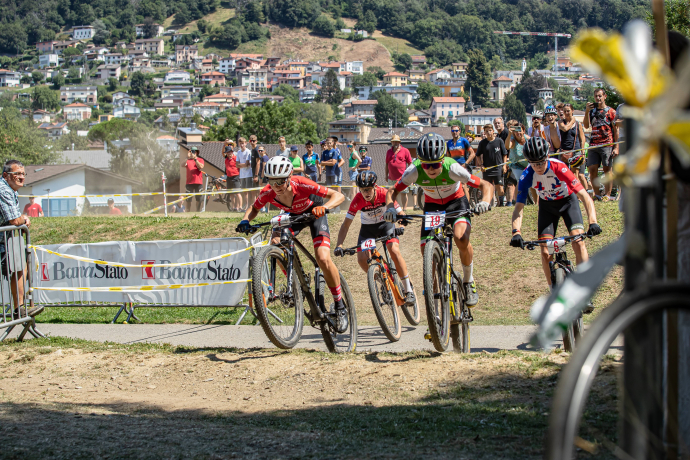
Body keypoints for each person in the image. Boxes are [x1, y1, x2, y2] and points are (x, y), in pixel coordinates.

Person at [236, 156, 349, 332]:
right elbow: (254, 207)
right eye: (272, 181)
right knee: (275, 241)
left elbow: (338, 195)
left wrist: (325, 208)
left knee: (322, 258)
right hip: (293, 216)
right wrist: (245, 220)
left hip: (315, 214)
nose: (276, 186)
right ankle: (294, 281)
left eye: (280, 181)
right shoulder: (268, 192)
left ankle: (340, 305)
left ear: (289, 177)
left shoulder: (302, 183)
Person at [384, 133, 494, 307]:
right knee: (426, 253)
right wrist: (390, 208)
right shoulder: (414, 170)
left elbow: (486, 185)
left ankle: (468, 281)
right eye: (426, 165)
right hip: (433, 207)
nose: (431, 169)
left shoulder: (452, 167)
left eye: (435, 164)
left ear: (443, 160)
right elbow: (391, 192)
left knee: (461, 238)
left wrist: (485, 202)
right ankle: (434, 306)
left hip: (456, 203)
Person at [509, 137, 601, 312]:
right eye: (534, 164)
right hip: (547, 207)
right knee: (545, 250)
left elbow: (584, 197)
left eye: (541, 162)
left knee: (578, 241)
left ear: (547, 156)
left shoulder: (560, 167)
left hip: (568, 203)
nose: (538, 167)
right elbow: (518, 208)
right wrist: (516, 232)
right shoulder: (526, 176)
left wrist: (593, 222)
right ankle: (554, 293)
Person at [334, 171, 416, 305]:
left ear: (375, 186)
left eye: (368, 189)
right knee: (361, 259)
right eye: (362, 190)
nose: (365, 193)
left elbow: (401, 213)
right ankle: (383, 282)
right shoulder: (358, 200)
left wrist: (401, 226)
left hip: (386, 225)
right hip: (368, 229)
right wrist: (339, 245)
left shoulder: (384, 193)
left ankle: (408, 290)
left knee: (393, 250)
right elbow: (345, 225)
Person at [0, 160, 41, 319]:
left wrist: (21, 219)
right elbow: (14, 220)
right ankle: (19, 310)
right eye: (17, 174)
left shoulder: (11, 190)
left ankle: (19, 309)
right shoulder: (3, 190)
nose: (21, 177)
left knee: (20, 268)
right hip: (3, 239)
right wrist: (23, 219)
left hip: (6, 239)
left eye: (23, 174)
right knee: (19, 268)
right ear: (6, 175)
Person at [584, 88, 618, 201]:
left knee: (607, 170)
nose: (598, 98)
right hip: (593, 144)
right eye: (596, 96)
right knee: (592, 169)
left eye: (600, 96)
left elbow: (615, 130)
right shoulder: (592, 111)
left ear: (605, 96)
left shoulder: (611, 111)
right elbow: (586, 125)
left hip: (607, 144)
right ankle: (597, 194)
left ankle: (607, 195)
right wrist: (587, 111)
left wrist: (616, 147)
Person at [559, 103, 588, 197]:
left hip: (576, 150)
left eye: (568, 111)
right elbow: (565, 128)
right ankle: (567, 193)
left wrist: (582, 151)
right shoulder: (561, 122)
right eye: (565, 111)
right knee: (563, 173)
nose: (566, 113)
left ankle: (576, 194)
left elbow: (582, 137)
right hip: (564, 151)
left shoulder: (578, 124)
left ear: (572, 111)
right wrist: (573, 121)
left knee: (575, 173)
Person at [476, 124, 508, 206]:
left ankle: (501, 204)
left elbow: (504, 154)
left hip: (498, 168)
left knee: (500, 187)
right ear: (484, 133)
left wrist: (504, 166)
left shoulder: (499, 141)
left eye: (490, 130)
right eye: (486, 131)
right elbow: (477, 155)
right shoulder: (482, 143)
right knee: (488, 188)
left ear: (493, 131)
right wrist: (481, 165)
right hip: (487, 169)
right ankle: (488, 204)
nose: (489, 132)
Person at [504, 120, 533, 206]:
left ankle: (535, 203)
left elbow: (535, 141)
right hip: (516, 164)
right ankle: (517, 202)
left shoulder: (527, 138)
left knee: (532, 181)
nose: (518, 133)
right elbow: (507, 146)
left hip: (526, 163)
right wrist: (509, 134)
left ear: (523, 131)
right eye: (516, 131)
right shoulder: (512, 139)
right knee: (520, 180)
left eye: (520, 130)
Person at [447, 125, 476, 198]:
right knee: (453, 187)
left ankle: (467, 206)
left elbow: (472, 154)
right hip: (453, 167)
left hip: (462, 167)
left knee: (464, 186)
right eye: (453, 131)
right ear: (451, 132)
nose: (455, 132)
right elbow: (448, 157)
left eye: (456, 131)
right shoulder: (448, 143)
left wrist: (466, 164)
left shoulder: (464, 141)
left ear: (459, 131)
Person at [385, 134, 413, 211]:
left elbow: (410, 164)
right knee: (392, 193)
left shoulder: (405, 151)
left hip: (403, 177)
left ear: (399, 142)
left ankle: (404, 209)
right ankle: (394, 209)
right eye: (394, 142)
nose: (395, 143)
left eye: (397, 142)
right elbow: (387, 164)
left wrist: (410, 176)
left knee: (404, 193)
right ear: (392, 143)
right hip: (391, 177)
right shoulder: (389, 152)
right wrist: (386, 175)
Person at [223, 139, 242, 212]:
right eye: (227, 152)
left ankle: (239, 207)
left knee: (237, 193)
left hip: (236, 176)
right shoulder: (226, 159)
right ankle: (234, 207)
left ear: (232, 152)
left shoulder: (235, 158)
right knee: (231, 193)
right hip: (229, 177)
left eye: (229, 152)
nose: (228, 154)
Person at [184, 146, 204, 212]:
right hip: (189, 182)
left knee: (198, 199)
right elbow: (182, 164)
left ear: (196, 153)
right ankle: (187, 211)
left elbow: (201, 166)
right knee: (188, 199)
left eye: (194, 152)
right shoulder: (188, 160)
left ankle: (198, 211)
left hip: (198, 182)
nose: (193, 153)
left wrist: (195, 159)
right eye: (192, 151)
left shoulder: (200, 160)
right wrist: (187, 157)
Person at [236, 137, 252, 210]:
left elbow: (247, 164)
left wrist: (241, 165)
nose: (242, 145)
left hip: (248, 174)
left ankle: (248, 205)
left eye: (243, 143)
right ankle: (246, 205)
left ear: (246, 143)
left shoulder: (248, 151)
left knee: (248, 190)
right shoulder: (238, 152)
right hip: (242, 174)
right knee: (244, 191)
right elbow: (236, 164)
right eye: (240, 143)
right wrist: (243, 164)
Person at [249, 135, 261, 203]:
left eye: (254, 141)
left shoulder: (257, 150)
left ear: (256, 141)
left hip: (257, 173)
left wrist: (256, 175)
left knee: (258, 190)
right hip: (253, 172)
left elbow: (258, 163)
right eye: (251, 141)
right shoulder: (252, 150)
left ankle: (261, 206)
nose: (252, 142)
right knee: (254, 191)